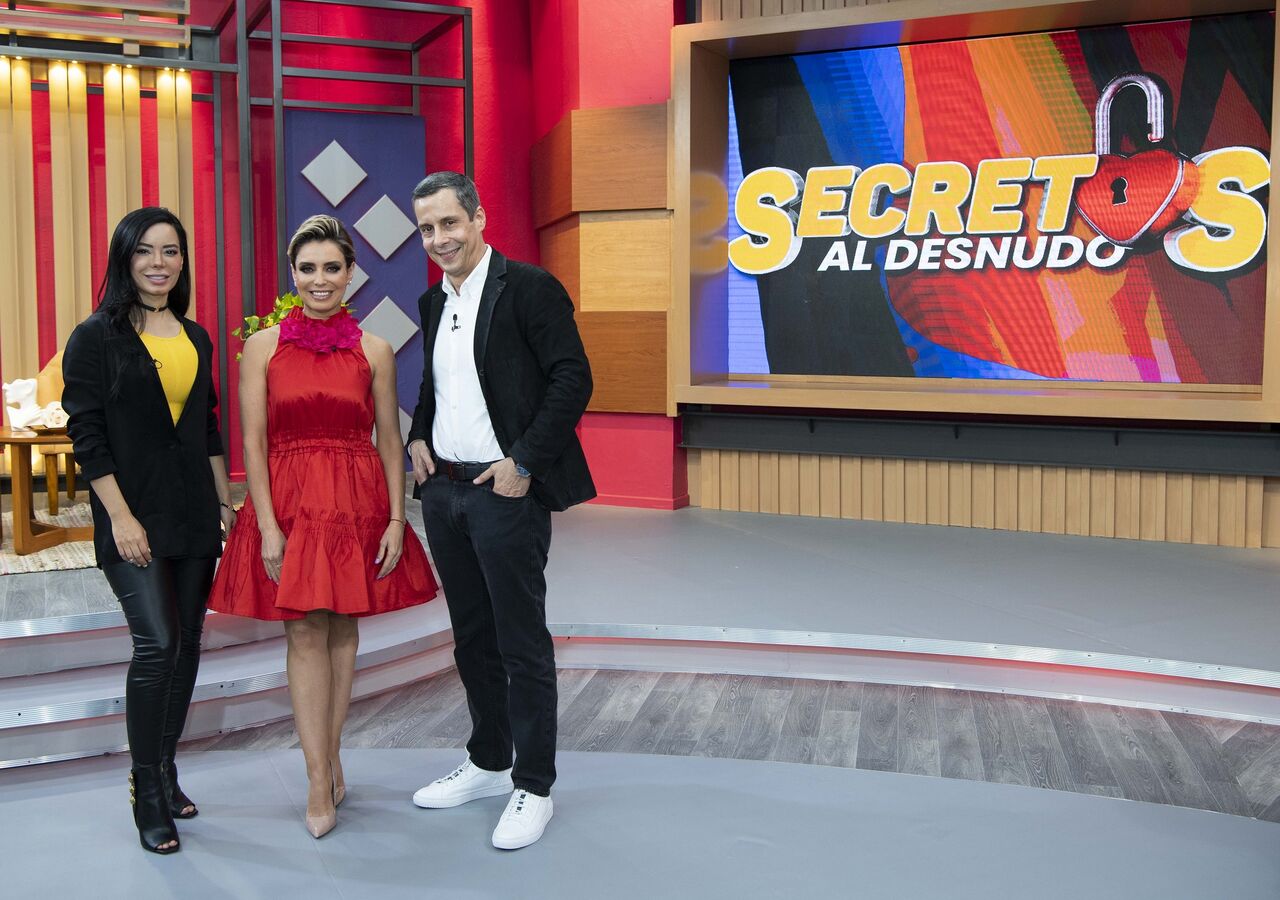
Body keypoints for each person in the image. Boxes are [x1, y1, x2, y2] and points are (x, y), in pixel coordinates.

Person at [207, 215, 438, 839]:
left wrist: (397, 517)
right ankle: (316, 777)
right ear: (292, 274)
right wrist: (268, 525)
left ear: (350, 273)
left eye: (331, 267)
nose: (319, 279)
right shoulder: (262, 347)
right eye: (307, 268)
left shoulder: (374, 350)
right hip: (288, 501)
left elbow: (388, 440)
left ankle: (332, 757)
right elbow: (252, 443)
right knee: (305, 631)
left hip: (355, 501)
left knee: (342, 632)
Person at [406, 172, 594, 850]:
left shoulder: (531, 289)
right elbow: (435, 386)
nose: (440, 239)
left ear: (478, 217)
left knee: (521, 642)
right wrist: (417, 436)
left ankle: (534, 786)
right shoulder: (434, 300)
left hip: (503, 493)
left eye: (449, 223)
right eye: (427, 229)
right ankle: (489, 761)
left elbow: (574, 378)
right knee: (471, 639)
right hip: (445, 495)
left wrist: (524, 463)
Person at [63, 207, 235, 855]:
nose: (159, 263)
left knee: (186, 646)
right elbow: (87, 435)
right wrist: (120, 516)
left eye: (171, 251)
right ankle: (145, 787)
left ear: (183, 261)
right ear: (125, 258)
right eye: (145, 251)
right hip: (133, 514)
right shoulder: (95, 336)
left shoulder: (195, 336)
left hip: (193, 512)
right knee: (157, 644)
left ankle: (165, 770)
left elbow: (206, 425)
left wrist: (225, 501)